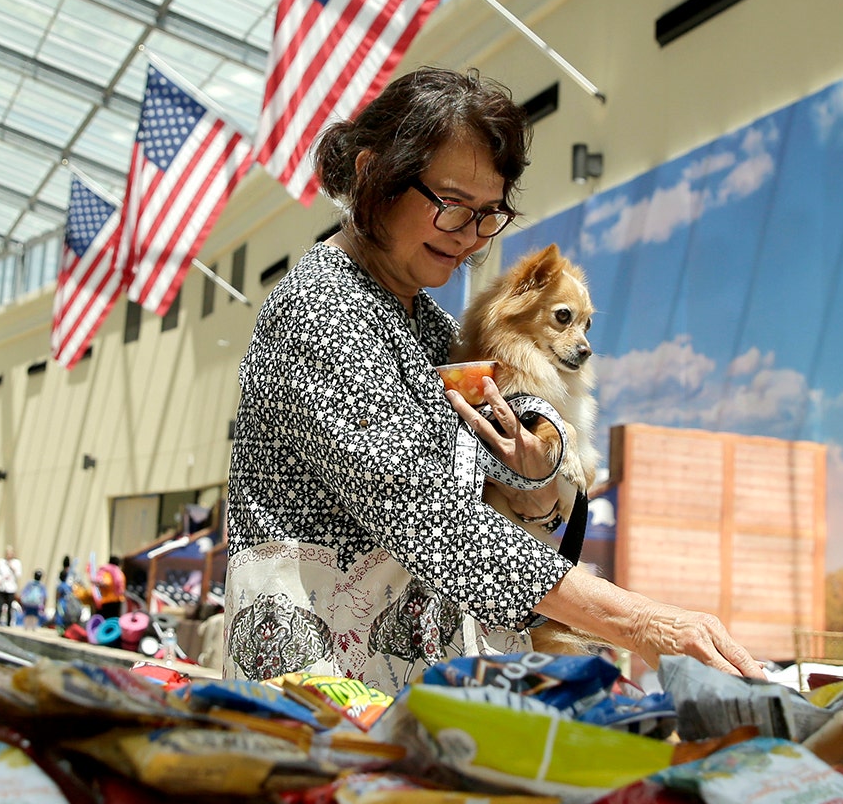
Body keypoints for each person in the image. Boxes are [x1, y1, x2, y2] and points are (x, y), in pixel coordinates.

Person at [223, 68, 764, 689]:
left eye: (489, 214)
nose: (471, 238)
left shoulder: (422, 319)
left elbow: (476, 472)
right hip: (319, 674)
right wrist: (644, 622)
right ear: (373, 175)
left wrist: (535, 467)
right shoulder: (324, 308)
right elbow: (430, 520)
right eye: (452, 206)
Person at [0, 546, 22, 626]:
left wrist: (11, 567)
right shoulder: (1, 562)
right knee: (0, 605)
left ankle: (9, 623)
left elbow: (18, 574)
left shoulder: (16, 563)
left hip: (11, 588)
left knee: (10, 606)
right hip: (2, 586)